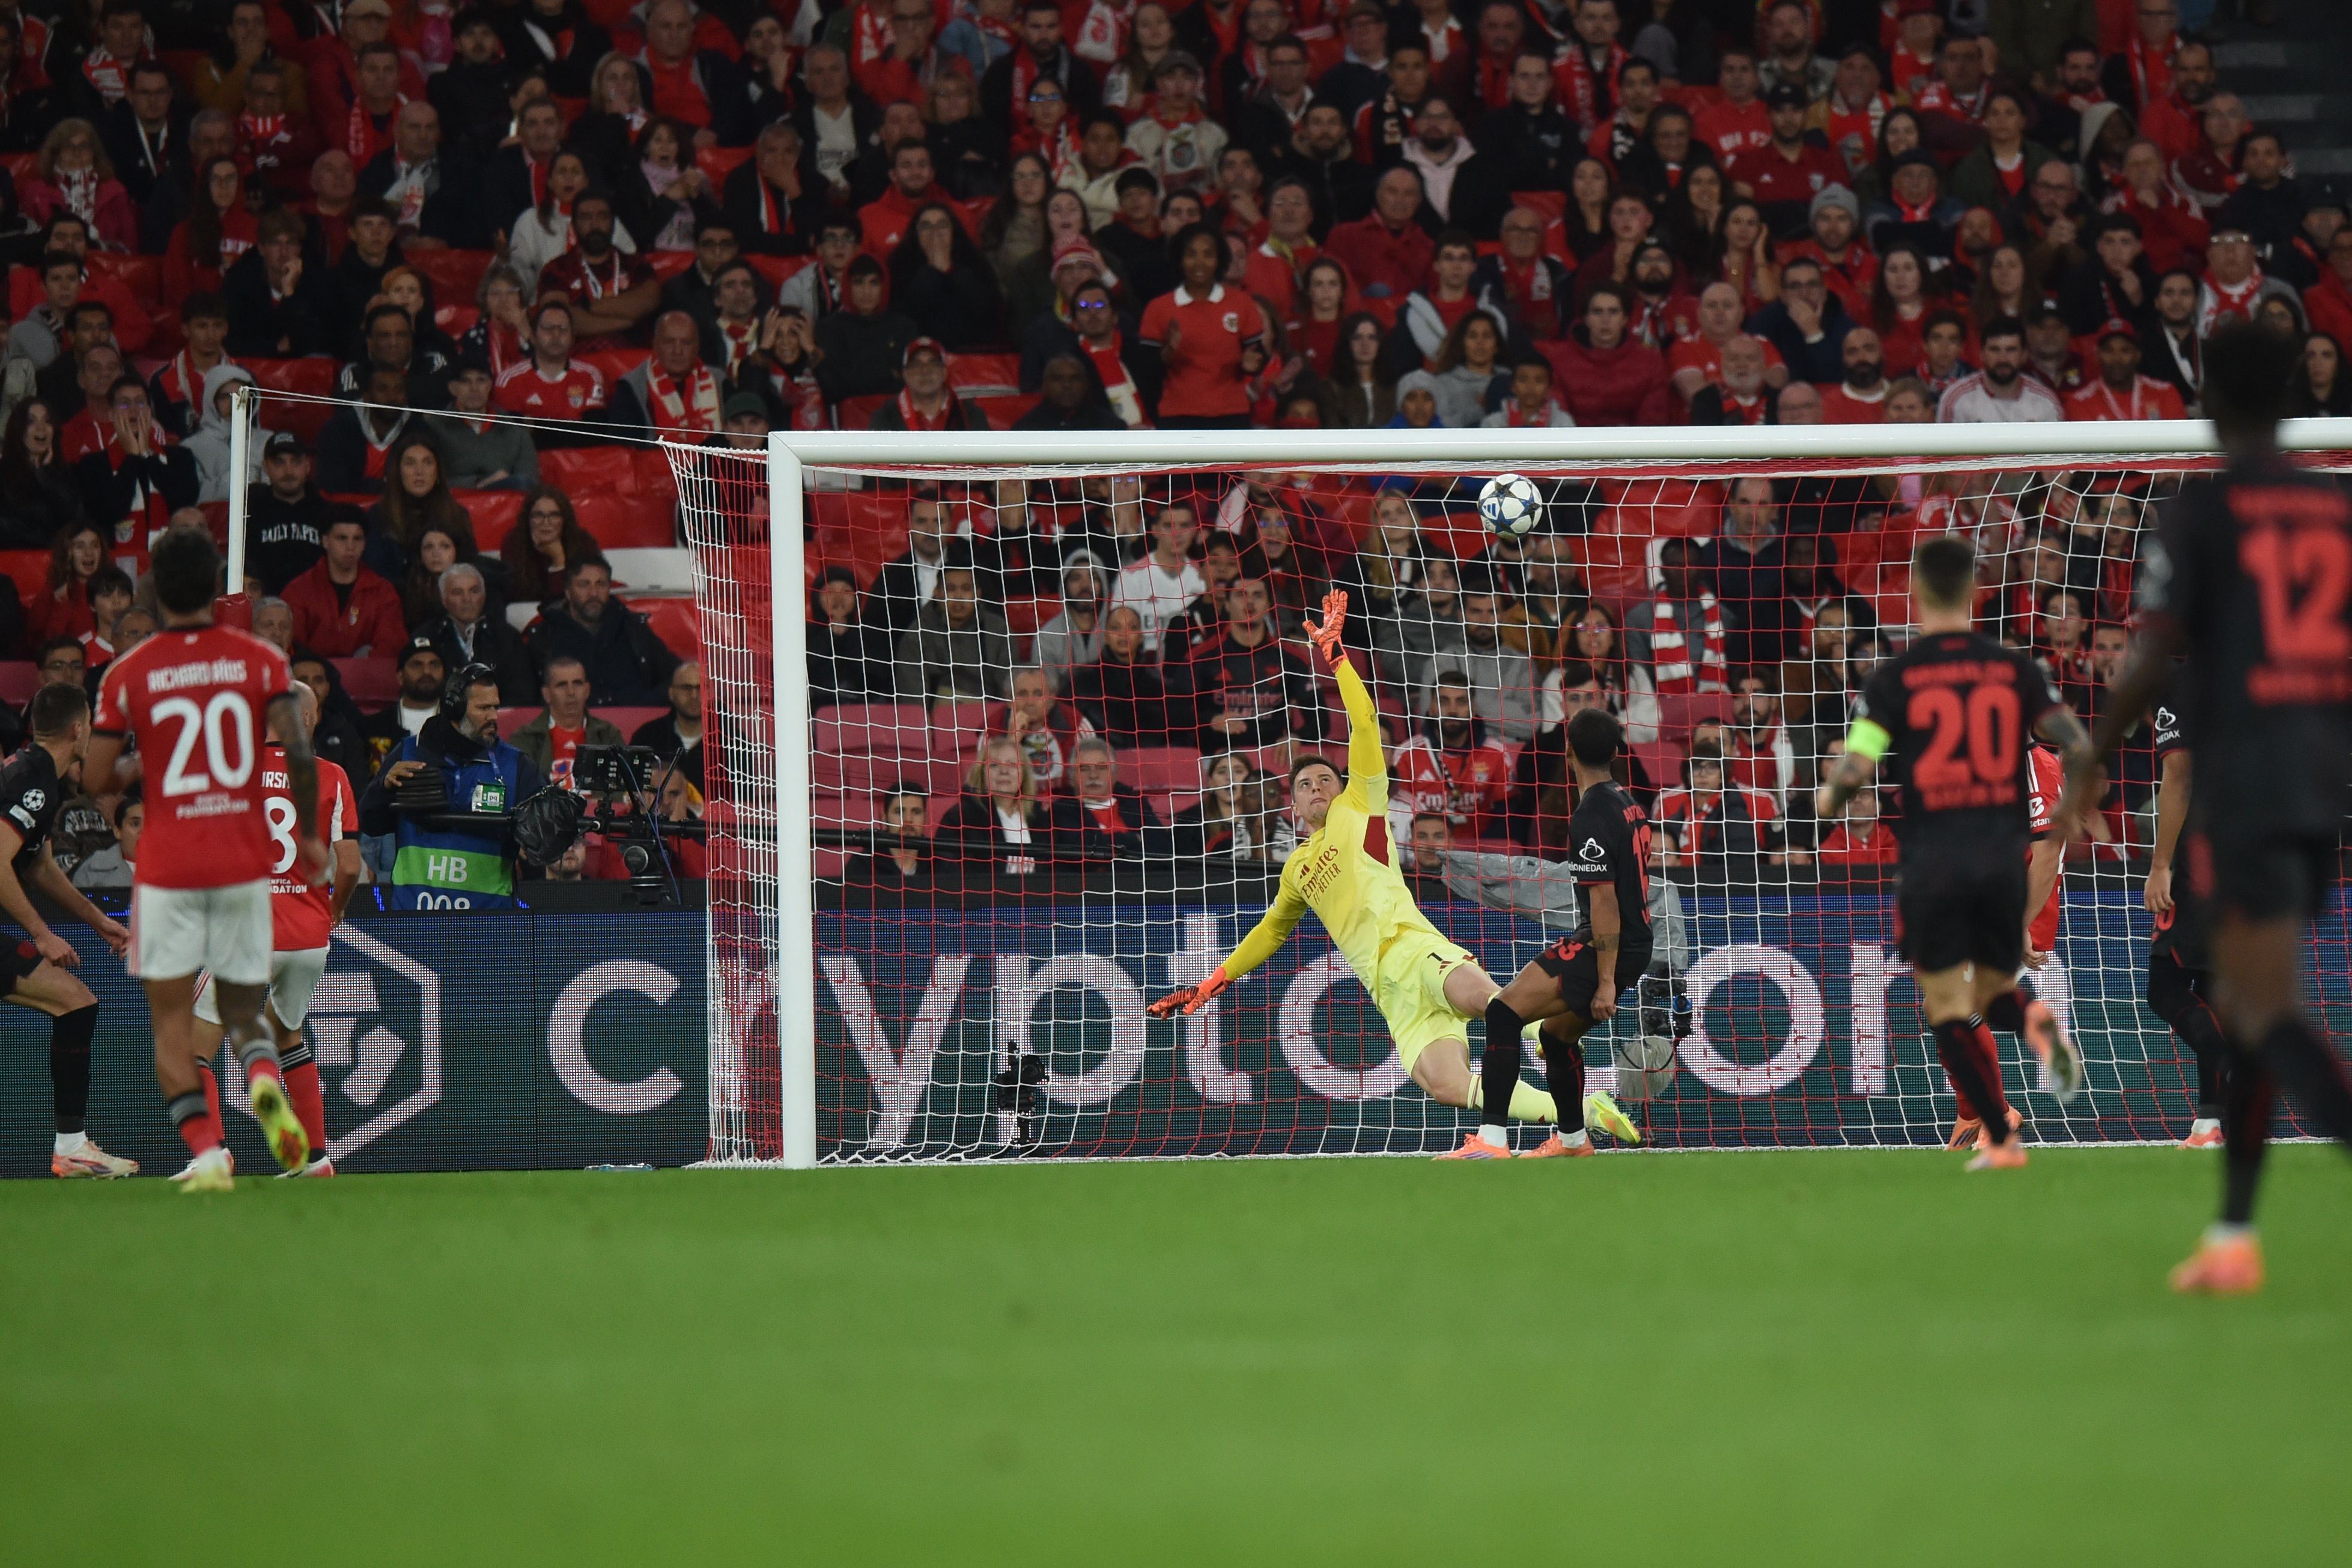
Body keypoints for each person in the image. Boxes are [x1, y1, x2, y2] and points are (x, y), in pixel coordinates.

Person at [2061, 323, 2352, 1293]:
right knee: (2248, 1008)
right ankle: (2233, 1233)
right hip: (2322, 781)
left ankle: (2235, 1233)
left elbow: (2152, 655)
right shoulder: (2334, 508)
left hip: (2249, 782)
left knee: (2263, 1014)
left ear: (2211, 400)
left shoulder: (2205, 511)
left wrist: (2092, 760)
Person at [1150, 590, 1639, 1156]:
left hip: (1413, 949)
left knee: (1497, 1006)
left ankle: (1552, 1096)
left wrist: (1336, 658)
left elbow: (1362, 721)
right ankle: (1582, 1111)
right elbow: (1271, 932)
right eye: (1304, 784)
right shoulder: (1296, 870)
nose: (1315, 787)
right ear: (1291, 807)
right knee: (1447, 1086)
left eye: (1324, 780)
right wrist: (1212, 982)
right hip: (1388, 990)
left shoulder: (1361, 806)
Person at [1816, 534, 2091, 1175]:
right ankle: (2026, 1065)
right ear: (1974, 591)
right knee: (1992, 993)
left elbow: (1857, 764)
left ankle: (1999, 1131)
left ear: (1916, 593)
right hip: (2001, 862)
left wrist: (1830, 797)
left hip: (1936, 860)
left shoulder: (1896, 677)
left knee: (1946, 1006)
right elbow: (2075, 741)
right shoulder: (2016, 670)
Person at [84, 524, 319, 1191]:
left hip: (166, 868)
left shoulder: (130, 671)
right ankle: (266, 1092)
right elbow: (297, 751)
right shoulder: (262, 661)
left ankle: (208, 1149)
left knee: (173, 1023)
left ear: (154, 591)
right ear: (218, 589)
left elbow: (99, 777)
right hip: (242, 863)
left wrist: (143, 759)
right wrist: (308, 840)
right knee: (244, 1014)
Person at [184, 679, 360, 1178]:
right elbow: (349, 865)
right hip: (308, 934)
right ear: (309, 719)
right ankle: (316, 1159)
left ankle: (213, 1153)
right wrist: (335, 910)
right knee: (287, 1035)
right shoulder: (333, 776)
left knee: (197, 1044)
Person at [0, 683, 135, 1176]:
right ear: (80, 730)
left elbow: (36, 866)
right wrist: (41, 933)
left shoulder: (33, 773)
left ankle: (73, 1147)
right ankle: (71, 1146)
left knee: (75, 1002)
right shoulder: (34, 780)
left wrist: (100, 922)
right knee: (74, 1003)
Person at [362, 660, 541, 907]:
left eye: (496, 707)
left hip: (491, 930)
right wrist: (383, 788)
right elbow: (370, 824)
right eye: (483, 708)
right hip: (414, 926)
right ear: (454, 708)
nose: (493, 716)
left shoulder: (517, 766)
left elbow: (541, 849)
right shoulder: (407, 754)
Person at [2141, 694, 2227, 1150]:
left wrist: (2160, 865)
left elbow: (2177, 776)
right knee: (2213, 988)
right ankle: (2209, 1124)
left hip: (2203, 858)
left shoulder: (2181, 687)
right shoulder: (2252, 675)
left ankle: (2231, 1062)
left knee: (2164, 986)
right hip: (2251, 853)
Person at [528, 556, 680, 707]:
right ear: (568, 592)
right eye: (584, 585)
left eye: (601, 584)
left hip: (637, 724)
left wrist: (642, 707)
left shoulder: (634, 628)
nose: (594, 593)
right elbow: (529, 701)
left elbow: (677, 678)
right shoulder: (544, 638)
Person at [282, 514, 406, 658]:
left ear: (365, 543)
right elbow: (291, 645)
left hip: (366, 678)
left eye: (357, 539)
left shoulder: (384, 592)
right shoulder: (298, 591)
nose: (350, 547)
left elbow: (391, 645)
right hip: (312, 678)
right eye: (342, 538)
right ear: (325, 541)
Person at [423, 561, 533, 705]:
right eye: (457, 592)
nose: (467, 599)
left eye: (474, 591)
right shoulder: (427, 637)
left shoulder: (507, 637)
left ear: (484, 595)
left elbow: (522, 695)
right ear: (444, 600)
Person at [631, 662, 702, 761]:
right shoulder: (648, 736)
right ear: (671, 693)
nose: (694, 695)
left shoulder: (729, 738)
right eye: (686, 688)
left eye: (701, 688)